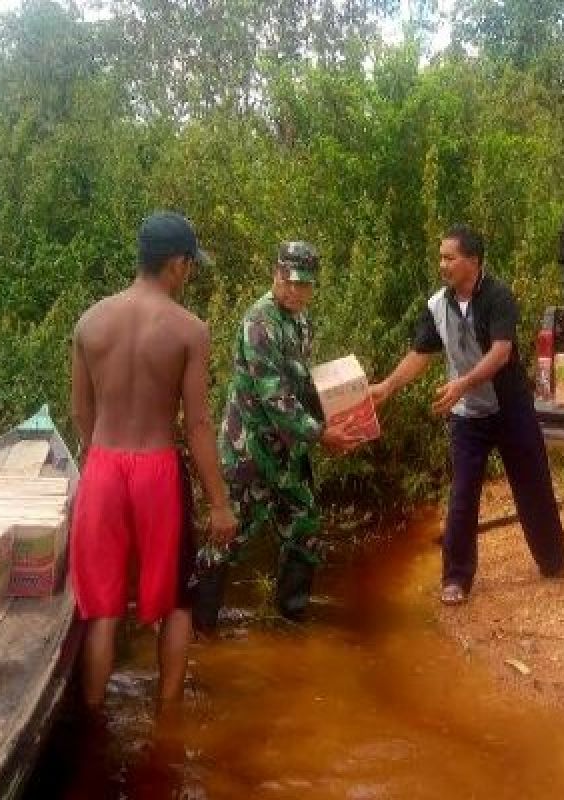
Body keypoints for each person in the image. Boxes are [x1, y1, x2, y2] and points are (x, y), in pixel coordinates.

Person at [69, 210, 238, 711]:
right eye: (190, 265)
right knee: (177, 606)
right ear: (178, 264)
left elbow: (82, 411)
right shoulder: (189, 330)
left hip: (102, 466)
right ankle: (166, 727)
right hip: (157, 470)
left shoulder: (89, 322)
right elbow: (198, 424)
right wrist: (219, 502)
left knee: (101, 610)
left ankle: (96, 720)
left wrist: (100, 455)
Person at [371, 224, 564, 605]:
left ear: (473, 262)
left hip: (510, 407)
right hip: (468, 415)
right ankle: (456, 578)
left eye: (449, 257)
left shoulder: (498, 296)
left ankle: (553, 561)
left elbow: (502, 352)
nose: (442, 264)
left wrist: (461, 383)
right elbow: (420, 354)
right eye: (441, 257)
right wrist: (386, 387)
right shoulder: (436, 305)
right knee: (462, 494)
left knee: (533, 485)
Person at [200, 241, 364, 627]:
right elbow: (275, 398)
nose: (294, 291)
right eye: (288, 281)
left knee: (305, 527)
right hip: (250, 453)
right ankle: (198, 627)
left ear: (312, 286)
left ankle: (291, 620)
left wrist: (349, 404)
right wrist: (323, 434)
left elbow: (302, 385)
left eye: (303, 285)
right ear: (275, 274)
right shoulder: (260, 321)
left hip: (287, 452)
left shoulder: (300, 321)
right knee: (227, 540)